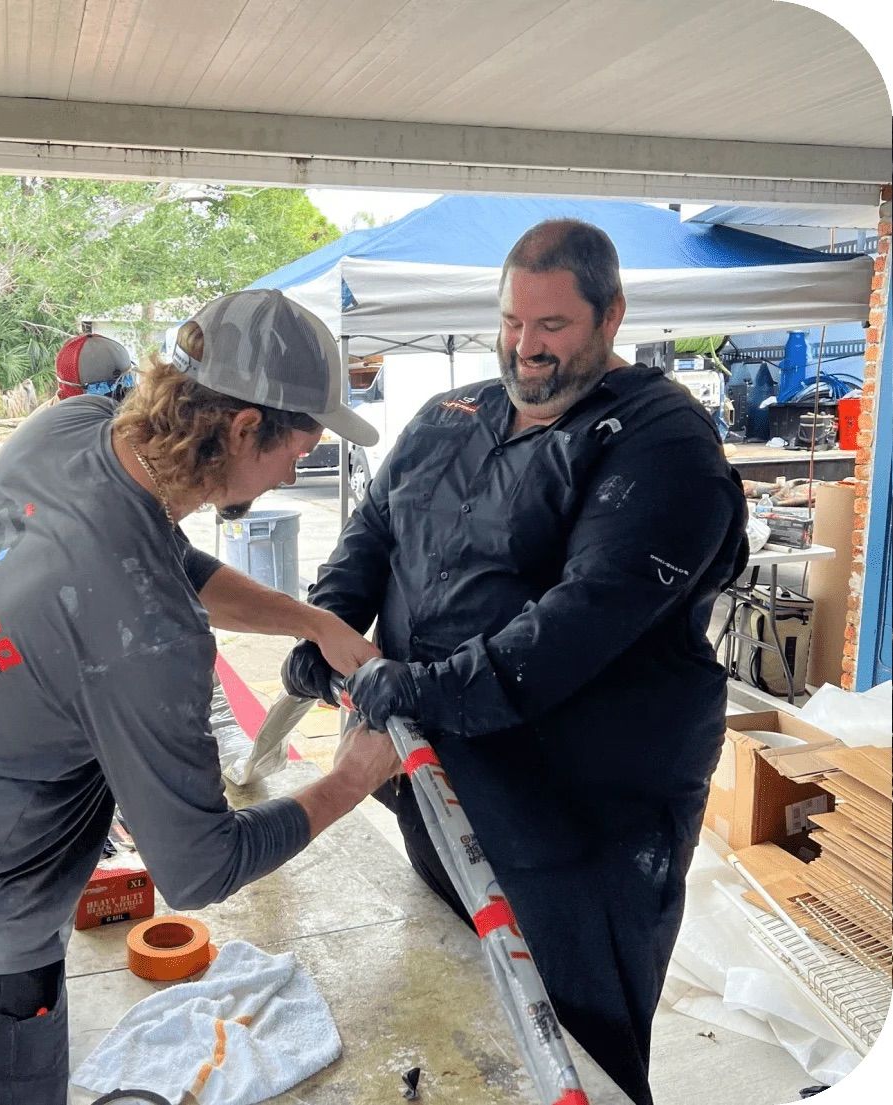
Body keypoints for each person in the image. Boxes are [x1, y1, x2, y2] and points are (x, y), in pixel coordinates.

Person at [0, 289, 397, 1105]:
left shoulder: (62, 436)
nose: (296, 471)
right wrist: (350, 779)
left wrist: (307, 620)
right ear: (242, 430)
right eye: (298, 449)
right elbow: (200, 866)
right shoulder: (152, 640)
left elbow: (162, 561)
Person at [282, 220, 749, 1105]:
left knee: (579, 1048)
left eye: (552, 327)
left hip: (584, 819)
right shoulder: (448, 418)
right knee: (467, 1008)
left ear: (610, 315)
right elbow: (373, 534)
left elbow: (582, 619)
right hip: (446, 784)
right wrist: (329, 628)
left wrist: (412, 688)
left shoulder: (661, 443)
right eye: (510, 322)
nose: (525, 348)